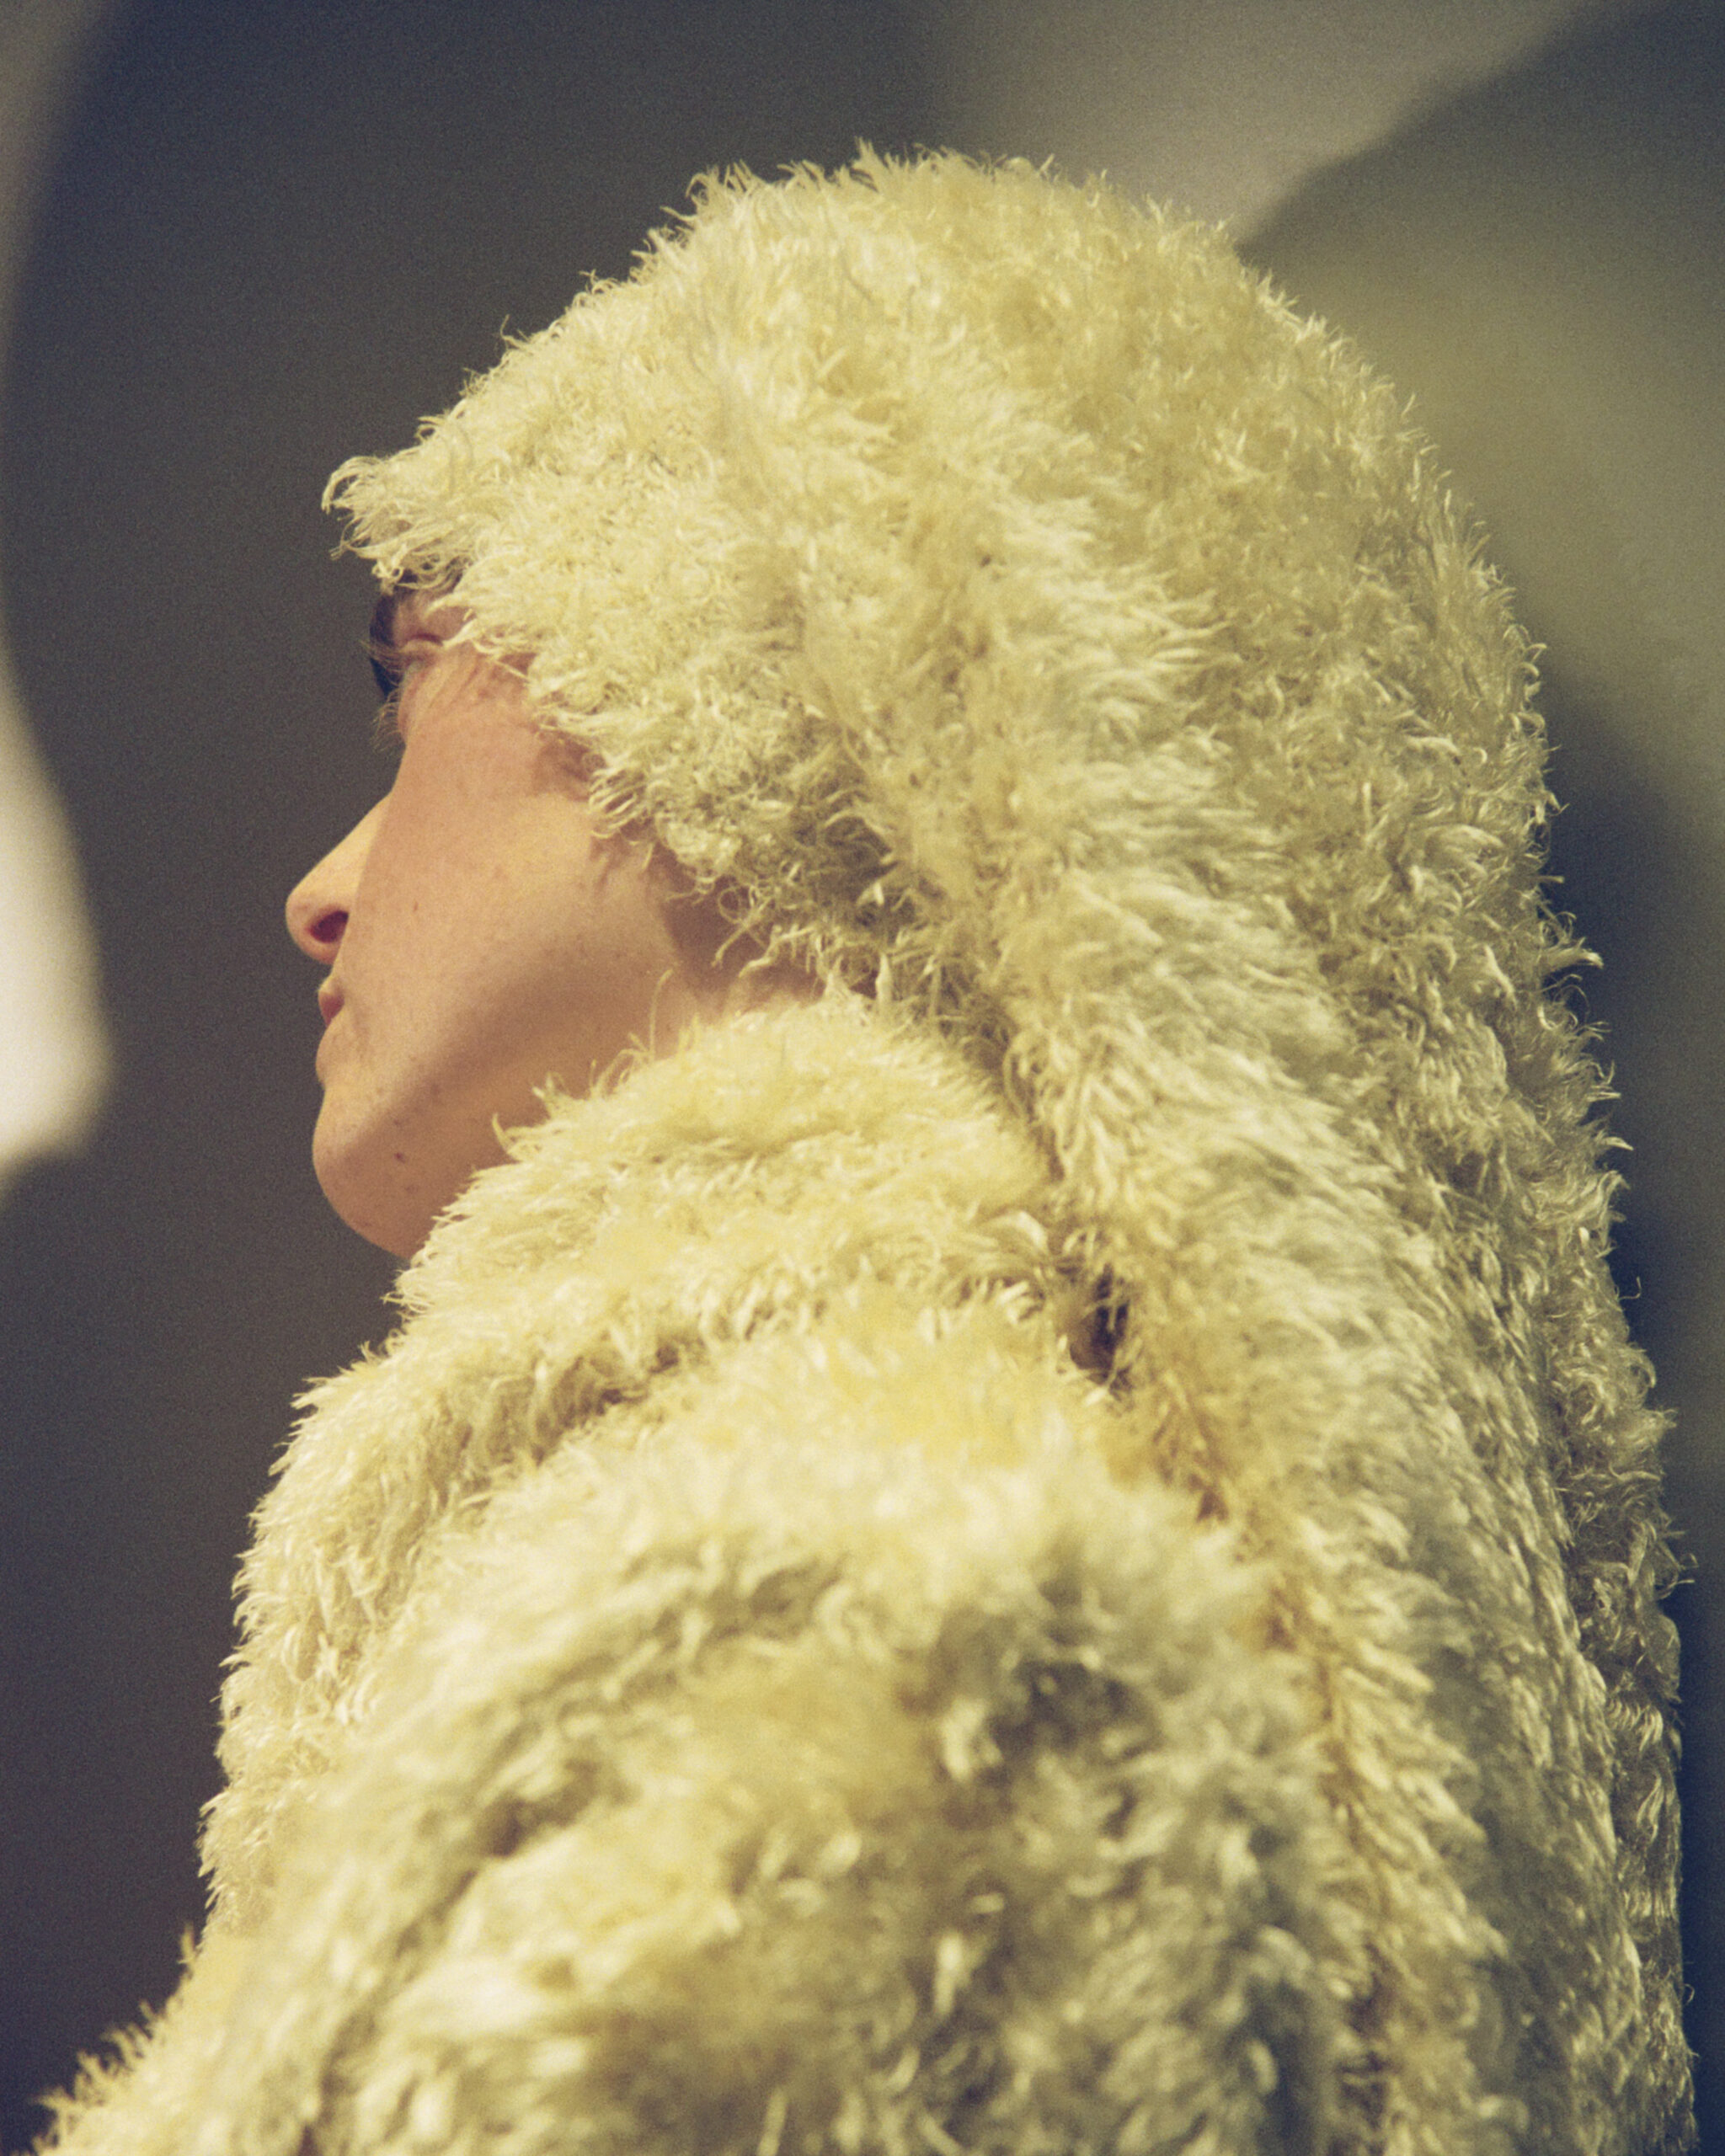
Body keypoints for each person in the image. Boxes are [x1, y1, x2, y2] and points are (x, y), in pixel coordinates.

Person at [36, 152, 1689, 2156]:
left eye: (409, 687)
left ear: (761, 694)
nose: (317, 887)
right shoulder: (798, 1563)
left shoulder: (917, 1651)